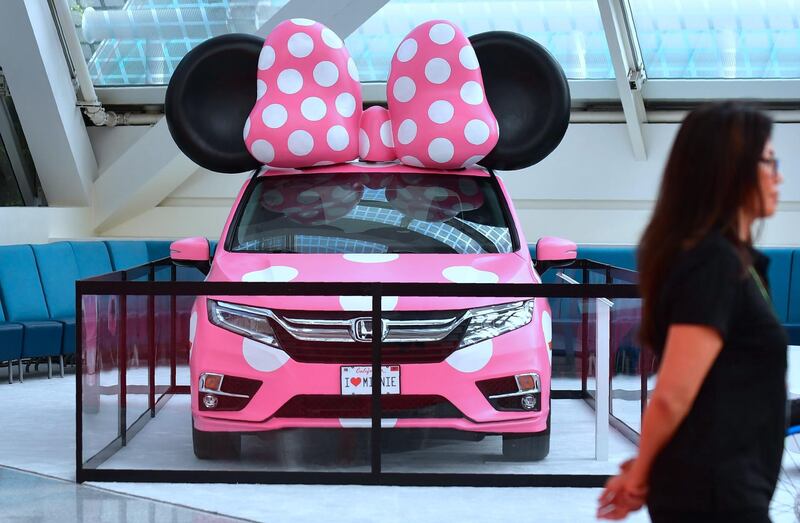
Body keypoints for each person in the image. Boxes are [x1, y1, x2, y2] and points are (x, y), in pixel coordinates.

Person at [596, 102, 788, 522]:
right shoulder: (713, 262)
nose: (780, 177)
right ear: (731, 170)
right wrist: (641, 476)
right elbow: (672, 395)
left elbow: (716, 392)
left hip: (723, 486)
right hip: (714, 495)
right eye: (769, 162)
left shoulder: (738, 263)